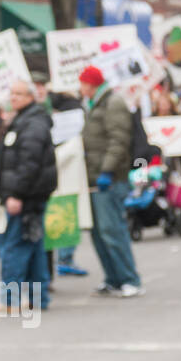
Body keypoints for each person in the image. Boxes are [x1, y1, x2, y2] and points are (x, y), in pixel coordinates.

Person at [0, 79, 58, 311]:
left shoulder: (31, 123)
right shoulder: (26, 120)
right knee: (33, 247)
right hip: (30, 194)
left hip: (26, 196)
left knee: (15, 247)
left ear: (31, 97)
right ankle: (39, 300)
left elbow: (29, 163)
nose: (13, 98)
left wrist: (16, 194)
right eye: (11, 93)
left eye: (18, 94)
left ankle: (10, 300)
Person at [79, 65, 143, 297]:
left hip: (110, 179)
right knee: (98, 233)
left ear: (90, 83)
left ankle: (130, 279)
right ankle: (113, 278)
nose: (80, 87)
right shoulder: (93, 104)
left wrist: (107, 170)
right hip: (94, 179)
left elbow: (119, 140)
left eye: (82, 82)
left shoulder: (113, 102)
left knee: (112, 230)